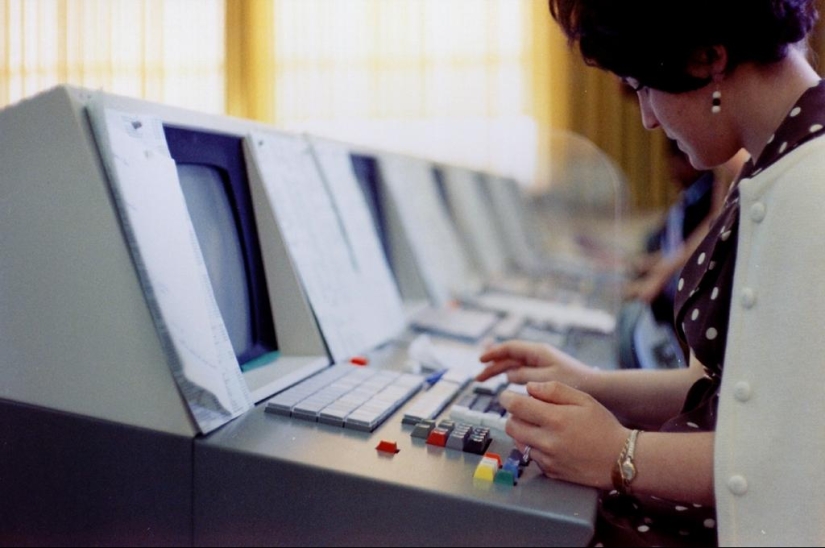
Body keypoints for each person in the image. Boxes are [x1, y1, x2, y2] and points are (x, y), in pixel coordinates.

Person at [476, 1, 825, 545]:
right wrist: (592, 386)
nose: (647, 117)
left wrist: (617, 454)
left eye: (643, 86)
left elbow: (793, 458)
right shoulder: (778, 164)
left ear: (708, 58)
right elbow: (731, 392)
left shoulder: (812, 187)